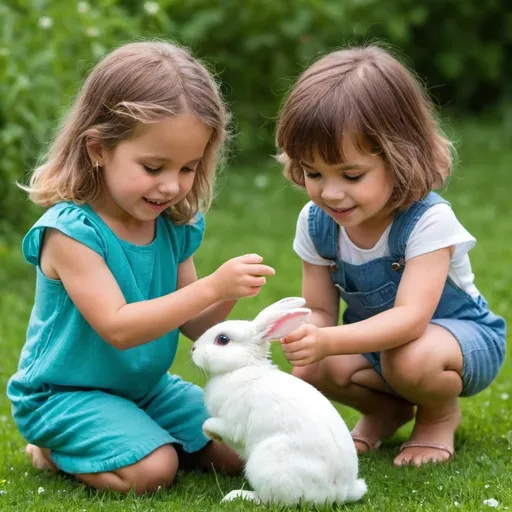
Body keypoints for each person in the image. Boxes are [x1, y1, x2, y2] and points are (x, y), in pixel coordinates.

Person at [7, 41, 275, 493]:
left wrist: (229, 291)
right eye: (153, 167)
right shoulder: (73, 235)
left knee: (242, 446)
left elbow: (194, 324)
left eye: (188, 168)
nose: (171, 185)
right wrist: (211, 286)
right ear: (97, 148)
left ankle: (134, 428)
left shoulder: (171, 222)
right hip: (63, 395)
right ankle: (52, 450)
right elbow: (119, 327)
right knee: (154, 471)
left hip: (146, 388)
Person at [275, 45, 506, 467]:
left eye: (351, 175)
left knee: (408, 356)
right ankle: (385, 411)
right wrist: (306, 348)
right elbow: (320, 312)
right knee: (321, 363)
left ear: (401, 156)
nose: (330, 192)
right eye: (313, 173)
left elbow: (410, 321)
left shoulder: (427, 221)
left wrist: (327, 340)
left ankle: (438, 416)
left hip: (456, 340)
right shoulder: (316, 223)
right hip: (380, 348)